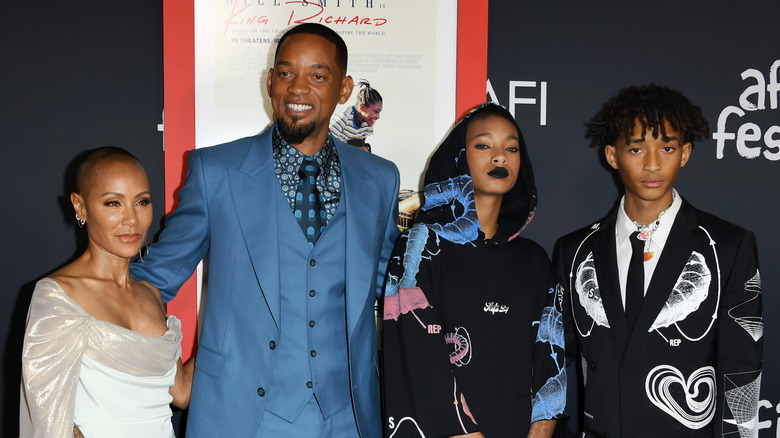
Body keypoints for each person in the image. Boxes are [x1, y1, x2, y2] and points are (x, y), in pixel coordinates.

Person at [129, 23, 400, 437]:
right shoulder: (216, 172)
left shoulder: (379, 179)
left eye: (318, 76)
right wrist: (169, 369)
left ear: (344, 90)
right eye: (286, 72)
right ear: (270, 81)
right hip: (242, 417)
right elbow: (149, 283)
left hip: (350, 418)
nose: (297, 88)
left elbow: (397, 288)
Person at [554, 84, 763, 437]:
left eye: (666, 147)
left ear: (684, 153)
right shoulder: (575, 250)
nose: (652, 164)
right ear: (612, 155)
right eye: (636, 148)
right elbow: (553, 356)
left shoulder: (728, 245)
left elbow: (742, 371)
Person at [382, 103, 566, 438]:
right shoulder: (422, 245)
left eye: (511, 148)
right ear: (458, 156)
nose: (500, 157)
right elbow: (415, 353)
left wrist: (542, 427)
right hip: (444, 430)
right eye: (484, 146)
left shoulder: (535, 260)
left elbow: (551, 352)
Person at [20, 147, 193, 438]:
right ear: (80, 206)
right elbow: (48, 423)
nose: (131, 219)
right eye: (113, 203)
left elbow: (182, 392)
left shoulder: (151, 295)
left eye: (142, 202)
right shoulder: (59, 297)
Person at [329, 80, 382, 152]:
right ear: (362, 107)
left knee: (364, 149)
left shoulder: (367, 123)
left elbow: (359, 144)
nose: (378, 116)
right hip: (332, 152)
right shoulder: (343, 118)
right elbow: (325, 142)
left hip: (348, 152)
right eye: (376, 112)